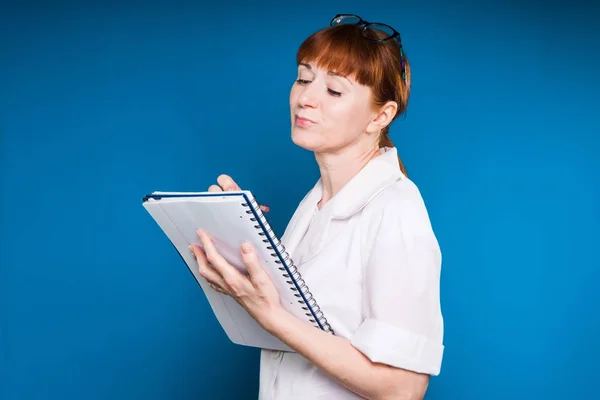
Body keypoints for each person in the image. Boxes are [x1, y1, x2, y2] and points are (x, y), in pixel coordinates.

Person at [189, 13, 444, 400]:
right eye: (304, 79)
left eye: (334, 91)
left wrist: (272, 315)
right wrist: (239, 251)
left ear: (381, 115)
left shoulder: (396, 210)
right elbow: (291, 321)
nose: (305, 98)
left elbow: (403, 388)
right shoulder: (314, 205)